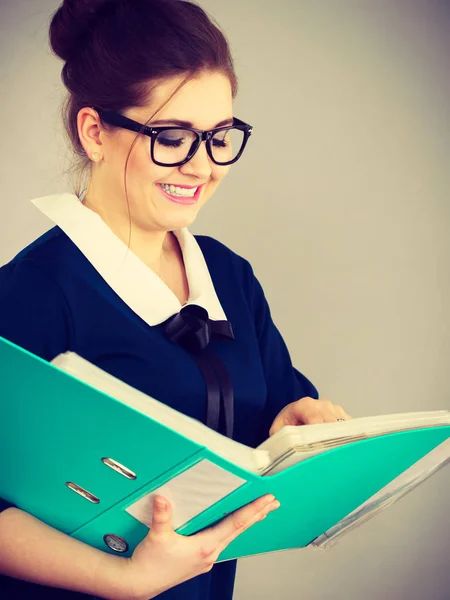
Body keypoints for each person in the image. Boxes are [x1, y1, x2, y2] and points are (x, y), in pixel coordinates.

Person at [0, 1, 351, 598]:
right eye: (171, 137)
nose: (202, 166)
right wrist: (123, 579)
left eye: (219, 138)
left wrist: (294, 426)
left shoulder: (229, 277)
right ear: (94, 132)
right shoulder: (30, 294)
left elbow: (274, 409)